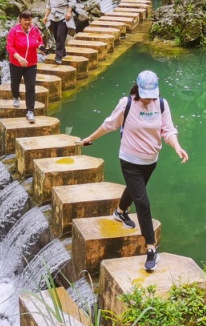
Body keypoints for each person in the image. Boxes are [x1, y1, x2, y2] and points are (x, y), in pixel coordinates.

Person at [79, 70, 188, 272]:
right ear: (137, 89)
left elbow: (168, 130)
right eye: (146, 96)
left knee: (134, 189)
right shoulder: (127, 104)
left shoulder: (162, 105)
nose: (148, 100)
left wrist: (177, 147)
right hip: (129, 159)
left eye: (152, 96)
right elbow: (109, 124)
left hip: (151, 160)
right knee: (143, 202)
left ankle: (120, 211)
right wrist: (90, 138)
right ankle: (150, 248)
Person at [6, 10, 45, 124]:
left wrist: (42, 48)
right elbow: (10, 47)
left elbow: (39, 41)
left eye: (29, 20)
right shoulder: (14, 31)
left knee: (31, 86)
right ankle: (16, 97)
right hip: (16, 63)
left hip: (31, 64)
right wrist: (19, 58)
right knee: (15, 83)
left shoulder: (35, 29)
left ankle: (30, 111)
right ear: (20, 20)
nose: (28, 22)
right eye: (25, 20)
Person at [41, 0, 76, 65]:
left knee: (61, 36)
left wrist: (69, 12)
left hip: (64, 16)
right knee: (56, 36)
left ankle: (58, 57)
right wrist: (46, 16)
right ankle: (63, 52)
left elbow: (72, 1)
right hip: (53, 16)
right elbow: (48, 5)